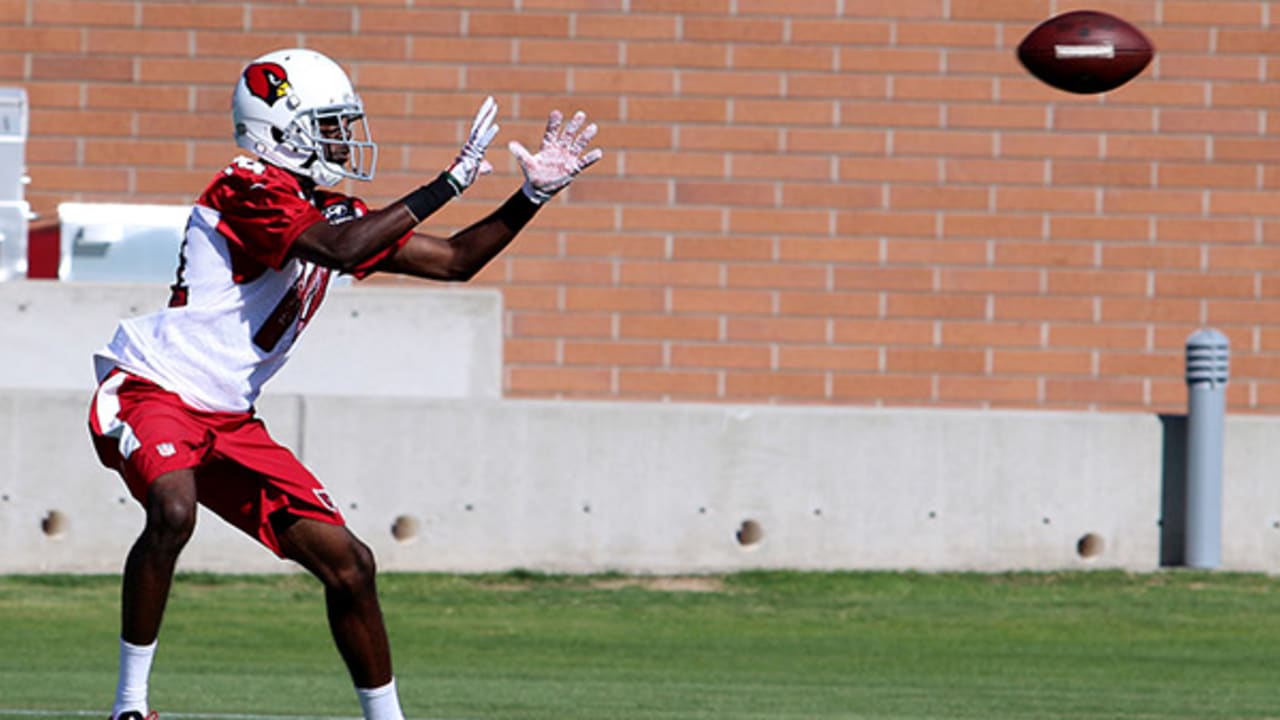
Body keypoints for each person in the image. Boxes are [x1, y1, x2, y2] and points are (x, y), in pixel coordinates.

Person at [87, 47, 602, 720]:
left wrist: (529, 196)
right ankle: (130, 705)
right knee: (174, 511)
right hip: (155, 388)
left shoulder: (329, 209)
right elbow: (339, 250)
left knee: (350, 565)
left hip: (230, 419)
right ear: (277, 129)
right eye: (325, 125)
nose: (339, 140)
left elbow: (452, 263)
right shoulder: (245, 184)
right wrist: (446, 183)